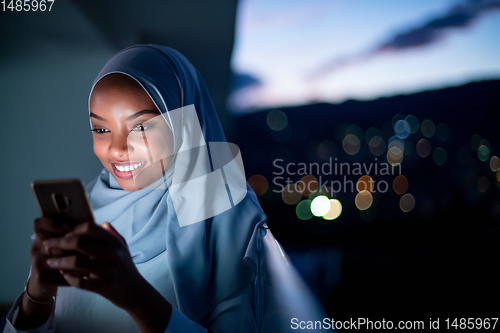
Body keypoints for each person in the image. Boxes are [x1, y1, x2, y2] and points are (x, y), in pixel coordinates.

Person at [3, 44, 278, 333]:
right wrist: (38, 295)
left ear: (183, 125)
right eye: (101, 129)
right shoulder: (84, 209)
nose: (118, 149)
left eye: (141, 127)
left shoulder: (227, 211)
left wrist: (135, 296)